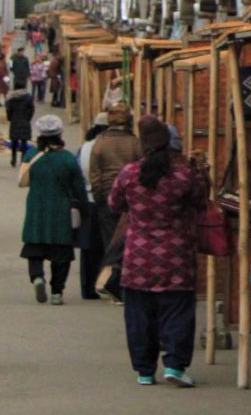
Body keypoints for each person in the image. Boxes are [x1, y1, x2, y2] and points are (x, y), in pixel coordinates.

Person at [108, 115, 208, 387]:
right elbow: (201, 200)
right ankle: (174, 365)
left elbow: (114, 203)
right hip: (176, 256)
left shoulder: (129, 173)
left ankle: (144, 371)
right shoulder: (183, 175)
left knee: (139, 316)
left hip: (137, 258)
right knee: (177, 312)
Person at [19, 115, 87, 306]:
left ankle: (37, 278)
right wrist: (84, 209)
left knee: (34, 248)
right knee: (61, 254)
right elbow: (79, 189)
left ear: (39, 134)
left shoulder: (32, 155)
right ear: (60, 134)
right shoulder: (69, 159)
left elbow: (22, 181)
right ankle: (57, 292)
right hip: (61, 211)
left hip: (36, 208)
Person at [89, 103, 143, 302]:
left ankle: (111, 282)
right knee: (130, 241)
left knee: (110, 241)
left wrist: (99, 197)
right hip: (132, 199)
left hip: (107, 197)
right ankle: (124, 283)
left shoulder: (99, 144)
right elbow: (142, 169)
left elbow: (94, 175)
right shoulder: (135, 144)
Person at [76, 112, 109, 300]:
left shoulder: (85, 148)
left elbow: (77, 171)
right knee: (108, 245)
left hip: (88, 200)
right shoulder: (108, 146)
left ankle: (87, 287)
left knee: (88, 247)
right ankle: (105, 283)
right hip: (106, 200)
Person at [5, 85, 35, 167]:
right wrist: (28, 118)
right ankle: (23, 159)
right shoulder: (28, 97)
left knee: (14, 142)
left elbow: (8, 110)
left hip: (14, 121)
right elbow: (32, 109)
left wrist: (10, 118)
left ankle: (13, 159)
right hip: (24, 121)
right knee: (24, 142)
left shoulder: (11, 98)